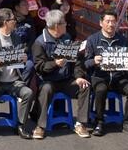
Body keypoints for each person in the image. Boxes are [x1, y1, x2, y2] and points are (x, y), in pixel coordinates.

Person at [31, 9, 91, 139]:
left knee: (84, 86)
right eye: (64, 23)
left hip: (66, 80)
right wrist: (55, 64)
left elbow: (75, 61)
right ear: (57, 26)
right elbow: (39, 67)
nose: (66, 24)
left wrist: (79, 76)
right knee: (46, 89)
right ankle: (40, 126)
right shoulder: (40, 42)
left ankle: (81, 123)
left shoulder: (67, 38)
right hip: (48, 81)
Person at [83, 10, 128, 136]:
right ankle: (99, 121)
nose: (110, 24)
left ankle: (127, 122)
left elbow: (126, 64)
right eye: (107, 21)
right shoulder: (93, 40)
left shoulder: (123, 40)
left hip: (118, 77)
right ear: (101, 23)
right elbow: (85, 64)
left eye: (113, 22)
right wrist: (94, 61)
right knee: (100, 90)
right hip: (99, 77)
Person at [0, 8, 34, 139]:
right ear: (5, 22)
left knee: (28, 92)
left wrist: (24, 58)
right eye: (13, 20)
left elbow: (20, 57)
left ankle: (21, 125)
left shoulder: (16, 37)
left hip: (14, 81)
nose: (15, 22)